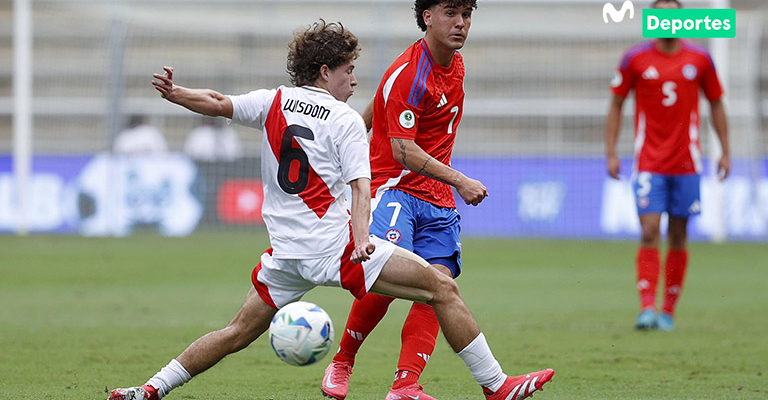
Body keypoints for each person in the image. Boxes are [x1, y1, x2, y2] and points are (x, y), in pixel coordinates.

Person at [108, 20, 553, 400]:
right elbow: (363, 189)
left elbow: (217, 102)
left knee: (234, 334)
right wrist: (362, 241)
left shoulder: (273, 101)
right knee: (443, 286)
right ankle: (496, 386)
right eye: (349, 71)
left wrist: (175, 93)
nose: (355, 81)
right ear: (325, 72)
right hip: (335, 251)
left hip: (285, 257)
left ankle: (149, 390)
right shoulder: (344, 121)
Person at [321, 0, 491, 400]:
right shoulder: (408, 71)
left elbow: (378, 106)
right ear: (426, 17)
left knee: (439, 288)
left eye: (466, 14)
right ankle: (342, 360)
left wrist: (353, 129)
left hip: (437, 198)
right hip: (395, 189)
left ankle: (406, 385)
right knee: (386, 280)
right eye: (451, 14)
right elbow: (404, 152)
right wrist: (462, 180)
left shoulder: (455, 63)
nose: (461, 24)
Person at [605, 0, 730, 331]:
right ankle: (647, 307)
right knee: (648, 230)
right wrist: (612, 151)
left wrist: (725, 150)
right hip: (649, 161)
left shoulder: (700, 59)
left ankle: (668, 311)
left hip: (687, 162)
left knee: (678, 234)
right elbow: (616, 104)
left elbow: (716, 103)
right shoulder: (636, 58)